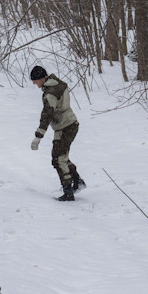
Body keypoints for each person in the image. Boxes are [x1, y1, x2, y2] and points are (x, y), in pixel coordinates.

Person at [29, 66, 85, 201]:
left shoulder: (50, 93)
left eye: (35, 81)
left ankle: (68, 192)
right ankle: (77, 181)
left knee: (58, 159)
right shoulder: (58, 83)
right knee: (61, 156)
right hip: (69, 124)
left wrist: (38, 136)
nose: (34, 84)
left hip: (65, 126)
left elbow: (47, 114)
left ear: (42, 78)